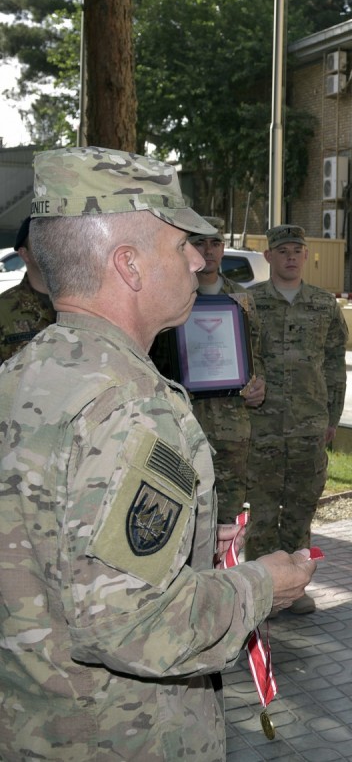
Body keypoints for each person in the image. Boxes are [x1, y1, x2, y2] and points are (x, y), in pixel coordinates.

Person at [0, 146, 318, 760]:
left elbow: (52, 544)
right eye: (181, 246)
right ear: (130, 266)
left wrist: (190, 540)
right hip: (119, 736)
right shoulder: (130, 406)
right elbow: (134, 624)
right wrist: (262, 586)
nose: (201, 261)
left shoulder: (25, 373)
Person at [246, 224, 347, 615]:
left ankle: (296, 588)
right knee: (265, 512)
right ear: (268, 256)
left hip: (308, 425)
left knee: (301, 509)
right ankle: (261, 592)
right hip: (263, 426)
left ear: (306, 256)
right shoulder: (250, 303)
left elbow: (336, 363)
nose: (290, 256)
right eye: (282, 250)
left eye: (296, 250)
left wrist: (332, 416)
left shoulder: (323, 304)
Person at [151, 216, 267, 523]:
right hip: (184, 424)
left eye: (215, 242)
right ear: (187, 246)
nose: (209, 249)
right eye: (200, 242)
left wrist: (260, 384)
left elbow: (258, 355)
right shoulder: (167, 297)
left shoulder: (242, 298)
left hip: (233, 428)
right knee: (183, 518)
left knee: (227, 518)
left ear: (223, 248)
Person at [0, 215, 56, 363]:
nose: (51, 248)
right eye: (41, 242)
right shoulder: (4, 310)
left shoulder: (83, 301)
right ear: (25, 254)